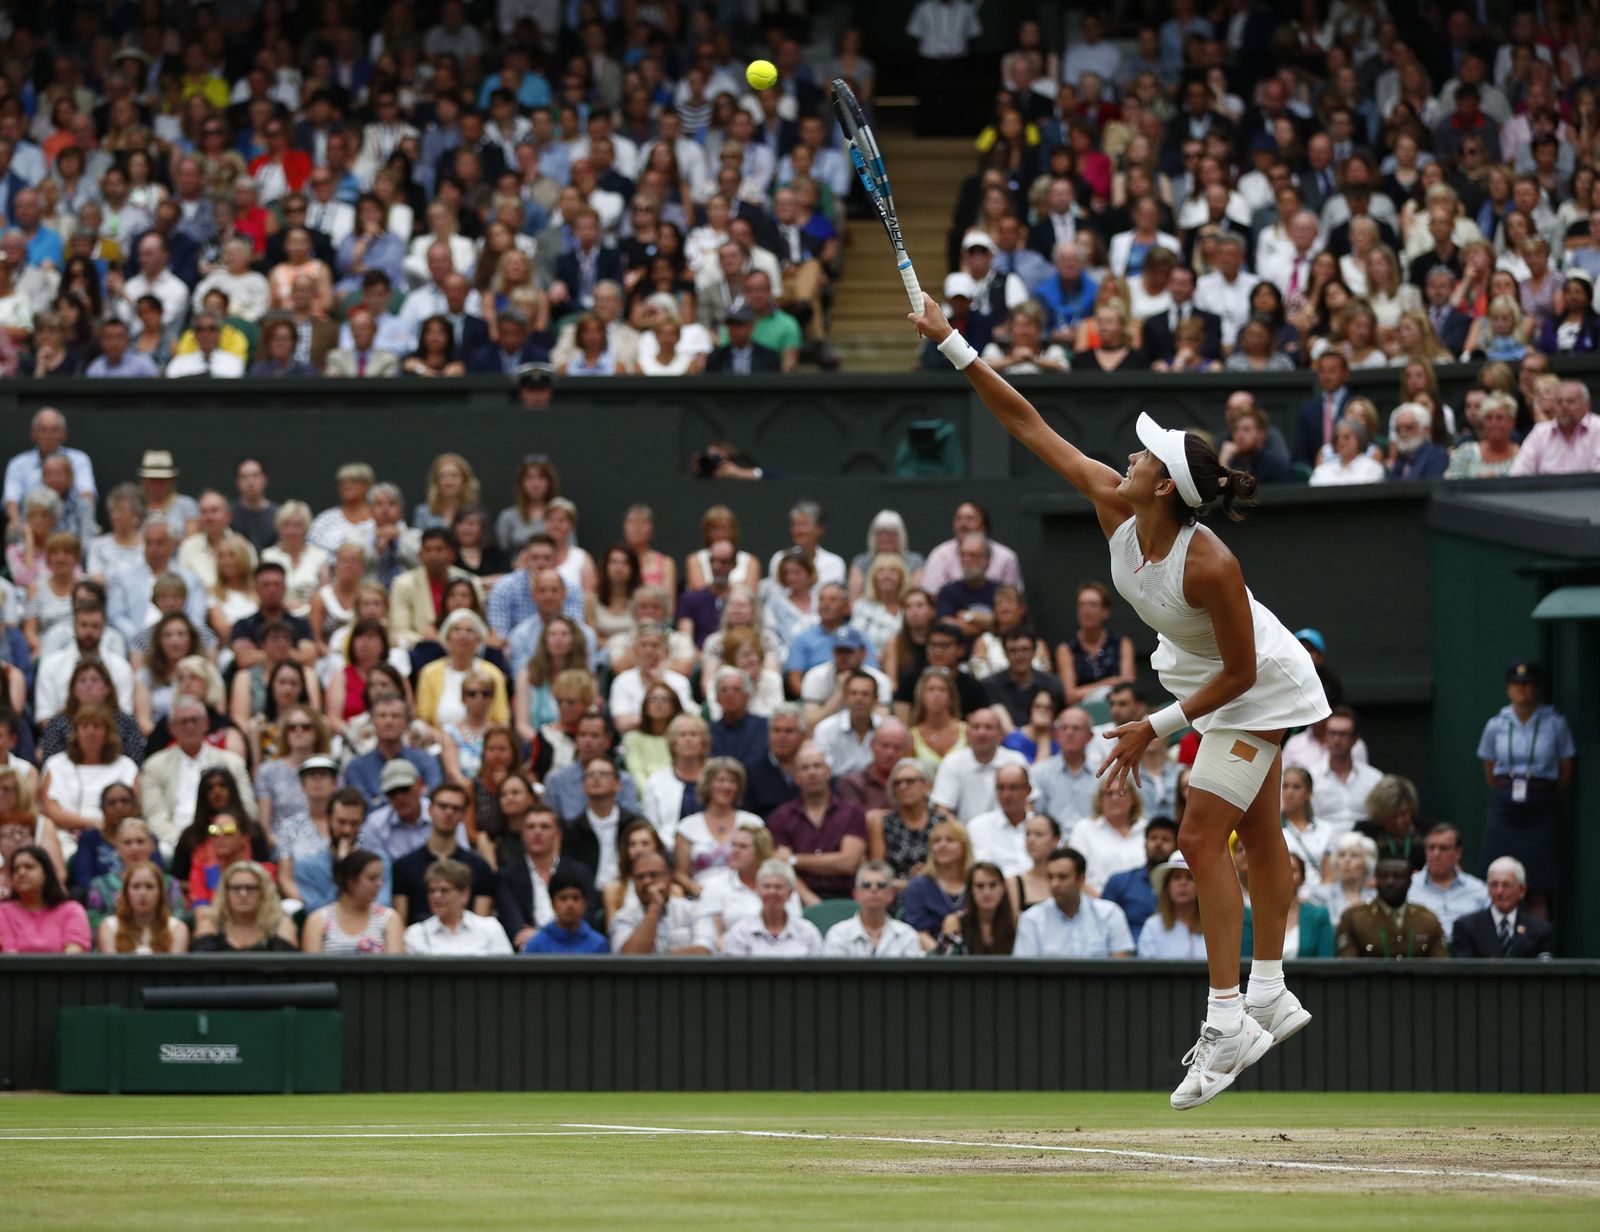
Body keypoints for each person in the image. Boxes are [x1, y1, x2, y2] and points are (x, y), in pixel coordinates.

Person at [912, 289, 1327, 1108]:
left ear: (1165, 489)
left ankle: (1228, 1018)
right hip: (1212, 686)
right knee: (1260, 831)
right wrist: (952, 341)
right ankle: (1271, 989)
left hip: (1259, 690)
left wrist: (1153, 726)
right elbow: (1028, 424)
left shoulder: (1212, 566)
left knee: (1202, 840)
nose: (1129, 459)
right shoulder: (1115, 505)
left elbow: (1242, 679)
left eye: (1144, 459)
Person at [1475, 660, 1574, 917]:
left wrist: (1541, 790)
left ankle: (1538, 946)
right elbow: (1489, 767)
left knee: (1539, 885)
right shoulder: (1496, 724)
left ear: (1537, 688)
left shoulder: (1554, 723)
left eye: (1527, 685)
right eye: (1516, 685)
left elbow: (1565, 769)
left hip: (1541, 803)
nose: (1521, 690)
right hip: (1506, 803)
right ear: (1508, 689)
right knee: (1500, 878)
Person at [389, 783, 495, 926]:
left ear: (464, 815)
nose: (448, 812)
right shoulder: (403, 867)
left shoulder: (479, 867)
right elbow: (399, 924)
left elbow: (482, 926)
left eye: (456, 808)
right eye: (442, 806)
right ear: (430, 810)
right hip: (417, 944)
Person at [495, 803, 596, 948]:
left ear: (558, 834)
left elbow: (586, 918)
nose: (537, 832)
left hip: (574, 948)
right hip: (529, 954)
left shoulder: (580, 873)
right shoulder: (508, 876)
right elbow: (515, 929)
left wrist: (540, 936)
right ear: (522, 834)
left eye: (545, 826)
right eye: (531, 827)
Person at [1013, 846, 1135, 959]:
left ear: (1081, 879)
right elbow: (1025, 972)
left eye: (1062, 877)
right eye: (1050, 877)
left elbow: (1120, 967)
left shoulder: (1110, 913)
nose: (1054, 884)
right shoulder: (1031, 919)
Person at [1335, 856, 1449, 959]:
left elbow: (1442, 967)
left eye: (1398, 876)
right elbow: (1347, 967)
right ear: (1375, 880)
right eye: (1384, 876)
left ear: (1410, 881)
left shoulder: (1427, 920)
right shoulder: (1354, 918)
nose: (1390, 881)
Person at [929, 708, 1027, 821]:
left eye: (988, 727)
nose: (982, 733)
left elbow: (1028, 805)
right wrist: (967, 836)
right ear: (967, 733)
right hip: (964, 835)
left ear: (1001, 734)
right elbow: (942, 810)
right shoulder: (952, 762)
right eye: (976, 727)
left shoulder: (1016, 760)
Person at [403, 858, 515, 955]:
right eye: (432, 891)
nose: (436, 896)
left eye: (444, 890)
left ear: (464, 895)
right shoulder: (415, 933)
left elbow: (507, 974)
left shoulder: (490, 928)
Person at [1450, 856, 1555, 959]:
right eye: (1494, 885)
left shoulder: (1539, 929)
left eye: (1506, 885)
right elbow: (1463, 972)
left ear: (1522, 890)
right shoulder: (1466, 928)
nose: (1499, 891)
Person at [301, 849, 403, 953]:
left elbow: (397, 966)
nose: (379, 884)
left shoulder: (389, 919)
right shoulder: (318, 921)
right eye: (372, 878)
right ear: (350, 880)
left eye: (380, 878)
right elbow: (311, 967)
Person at [719, 859, 824, 957]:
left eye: (778, 887)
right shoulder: (740, 932)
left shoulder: (808, 932)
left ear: (791, 892)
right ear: (757, 890)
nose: (772, 892)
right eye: (767, 886)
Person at [610, 850, 708, 954]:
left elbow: (704, 952)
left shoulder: (694, 910)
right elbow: (628, 960)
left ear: (669, 878)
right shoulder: (623, 918)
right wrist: (654, 907)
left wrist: (656, 960)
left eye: (653, 875)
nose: (647, 881)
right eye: (640, 877)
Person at [190, 860, 300, 952]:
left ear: (264, 892)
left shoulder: (281, 923)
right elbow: (202, 968)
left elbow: (286, 970)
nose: (243, 894)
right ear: (225, 893)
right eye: (235, 888)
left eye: (251, 888)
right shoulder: (211, 921)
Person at [0, 846, 91, 953]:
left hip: (63, 969)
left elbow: (74, 955)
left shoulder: (72, 910)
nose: (21, 873)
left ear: (47, 872)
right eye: (16, 869)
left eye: (29, 867)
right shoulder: (3, 911)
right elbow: (8, 956)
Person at [821, 860, 922, 957]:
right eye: (866, 885)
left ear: (891, 894)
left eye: (881, 885)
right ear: (855, 894)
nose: (874, 889)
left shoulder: (907, 935)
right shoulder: (838, 935)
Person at [1310, 707, 1384, 836]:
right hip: (1322, 851)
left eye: (1343, 734)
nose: (1337, 739)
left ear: (1355, 739)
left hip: (1365, 850)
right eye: (1332, 733)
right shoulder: (1311, 777)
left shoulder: (1375, 780)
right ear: (1325, 737)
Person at [1067, 778, 1150, 894]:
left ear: (1133, 799)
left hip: (1142, 904)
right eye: (1109, 793)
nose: (1115, 798)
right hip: (1097, 904)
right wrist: (1103, 904)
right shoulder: (1084, 829)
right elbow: (1073, 873)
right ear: (1100, 800)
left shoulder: (1147, 830)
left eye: (1121, 792)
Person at [1102, 817, 1180, 938]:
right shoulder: (1119, 881)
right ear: (1145, 844)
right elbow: (1104, 924)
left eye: (1165, 839)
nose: (1158, 843)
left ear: (1176, 847)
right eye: (1153, 838)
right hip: (1128, 953)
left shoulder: (1184, 885)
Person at [1407, 824, 1490, 938]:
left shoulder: (1479, 890)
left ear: (1458, 853)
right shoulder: (1408, 887)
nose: (1436, 854)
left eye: (1443, 848)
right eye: (1431, 848)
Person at [900, 820, 973, 948]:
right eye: (936, 841)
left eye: (950, 840)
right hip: (933, 960)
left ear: (964, 847)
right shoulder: (919, 886)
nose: (942, 845)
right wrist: (944, 960)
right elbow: (919, 933)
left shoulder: (976, 883)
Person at [97, 859, 190, 954]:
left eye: (149, 886)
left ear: (160, 893)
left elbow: (174, 968)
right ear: (126, 892)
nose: (142, 893)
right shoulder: (110, 927)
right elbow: (111, 968)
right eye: (136, 886)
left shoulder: (177, 928)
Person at [963, 763, 1038, 877]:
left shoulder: (1041, 826)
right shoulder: (978, 827)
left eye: (1014, 787)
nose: (1006, 794)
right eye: (1001, 788)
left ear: (1028, 790)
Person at [934, 861, 1015, 955]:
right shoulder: (955, 923)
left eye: (993, 885)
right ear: (971, 890)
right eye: (980, 886)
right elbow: (947, 966)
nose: (987, 892)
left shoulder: (1015, 923)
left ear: (1003, 888)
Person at [521, 870, 610, 954]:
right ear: (553, 904)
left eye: (575, 898)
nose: (570, 904)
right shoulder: (536, 945)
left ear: (585, 903)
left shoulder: (599, 945)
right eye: (563, 898)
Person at [1136, 852, 1206, 959]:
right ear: (1167, 886)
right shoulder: (1153, 926)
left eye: (1190, 878)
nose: (1183, 883)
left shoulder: (1214, 925)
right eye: (1177, 877)